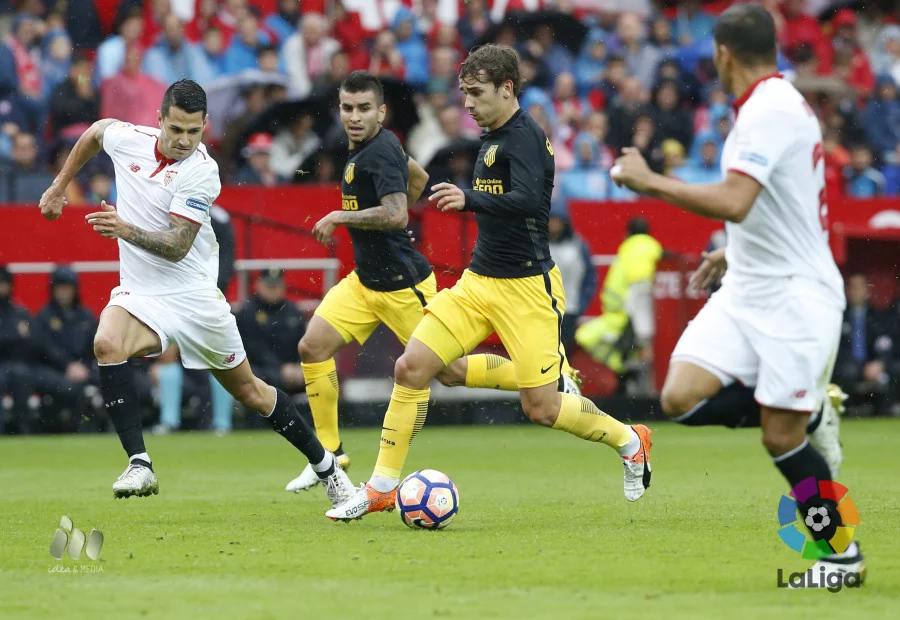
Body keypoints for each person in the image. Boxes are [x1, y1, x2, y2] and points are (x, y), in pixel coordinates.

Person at [324, 49, 653, 522]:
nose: (469, 106)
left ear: (507, 88)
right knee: (412, 367)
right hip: (479, 282)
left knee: (540, 408)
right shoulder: (492, 135)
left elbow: (527, 201)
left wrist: (469, 198)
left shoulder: (525, 137)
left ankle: (630, 439)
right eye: (464, 95)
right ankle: (380, 487)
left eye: (476, 95)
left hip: (526, 288)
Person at [610, 5, 864, 581]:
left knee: (780, 438)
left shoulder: (769, 110)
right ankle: (807, 409)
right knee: (678, 397)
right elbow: (784, 202)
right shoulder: (769, 104)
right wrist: (736, 249)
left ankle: (841, 555)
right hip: (749, 281)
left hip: (796, 295)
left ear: (724, 54)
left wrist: (648, 180)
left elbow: (735, 201)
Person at [38, 79, 354, 506]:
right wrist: (59, 186)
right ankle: (140, 464)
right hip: (142, 294)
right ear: (159, 121)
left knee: (251, 393)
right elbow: (95, 132)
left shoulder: (202, 172)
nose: (184, 140)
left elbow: (177, 245)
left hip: (195, 299)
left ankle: (329, 470)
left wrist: (123, 229)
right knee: (106, 342)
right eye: (175, 129)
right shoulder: (128, 139)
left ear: (205, 125)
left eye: (193, 131)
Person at [287, 70, 586, 495]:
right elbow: (420, 181)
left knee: (450, 372)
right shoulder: (364, 148)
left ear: (381, 112)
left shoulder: (381, 150)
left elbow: (396, 214)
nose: (354, 116)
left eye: (364, 108)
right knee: (311, 347)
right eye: (348, 108)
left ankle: (552, 377)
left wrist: (342, 217)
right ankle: (330, 456)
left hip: (401, 284)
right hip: (365, 280)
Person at [575, 218, 663, 388]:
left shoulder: (633, 249)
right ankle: (627, 372)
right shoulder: (650, 248)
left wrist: (641, 330)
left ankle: (625, 371)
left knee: (584, 336)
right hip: (629, 316)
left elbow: (640, 288)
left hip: (625, 317)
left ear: (627, 233)